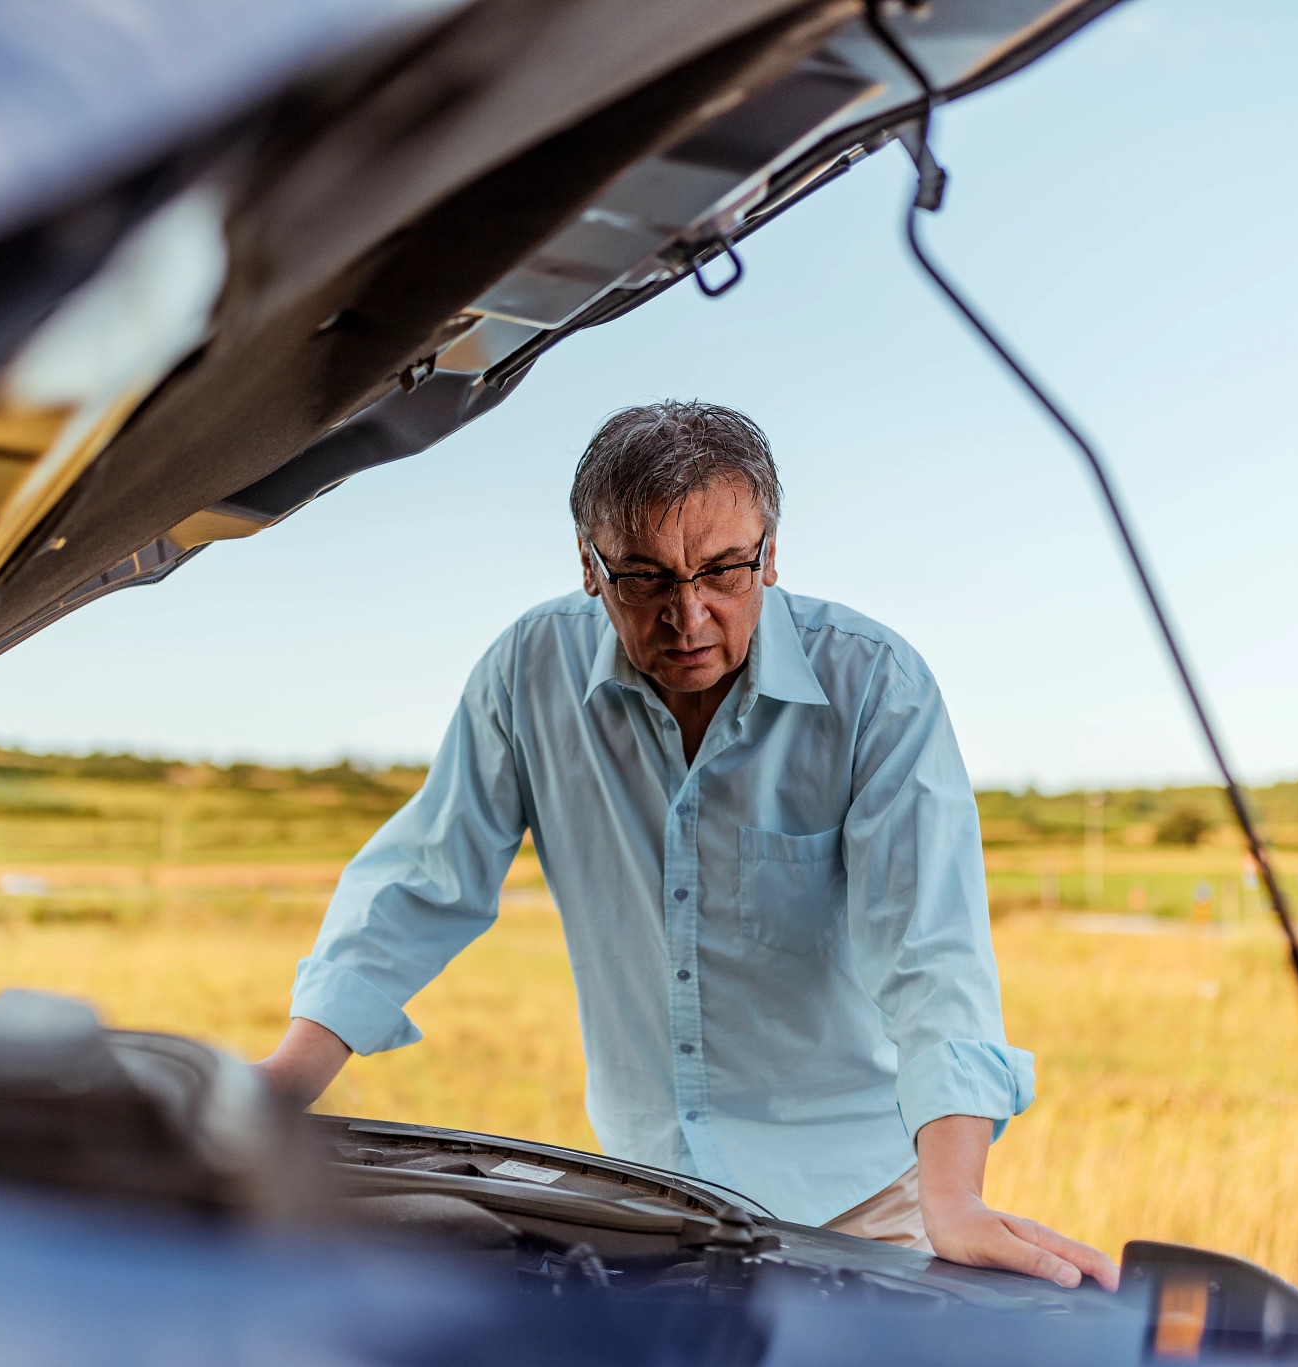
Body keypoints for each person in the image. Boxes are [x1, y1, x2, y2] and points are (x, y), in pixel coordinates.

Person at [258, 400, 1117, 1291]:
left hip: (860, 1203)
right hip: (642, 1196)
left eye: (723, 571)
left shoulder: (877, 686)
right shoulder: (526, 673)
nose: (689, 614)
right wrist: (285, 1082)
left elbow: (932, 955)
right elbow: (425, 878)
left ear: (771, 553)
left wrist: (956, 1199)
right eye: (645, 578)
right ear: (589, 568)